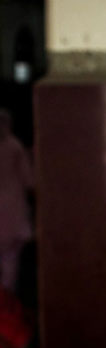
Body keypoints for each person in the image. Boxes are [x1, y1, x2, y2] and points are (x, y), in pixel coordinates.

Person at [0, 109, 34, 293]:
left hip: (10, 213)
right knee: (9, 264)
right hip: (12, 215)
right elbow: (29, 180)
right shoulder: (14, 147)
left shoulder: (14, 147)